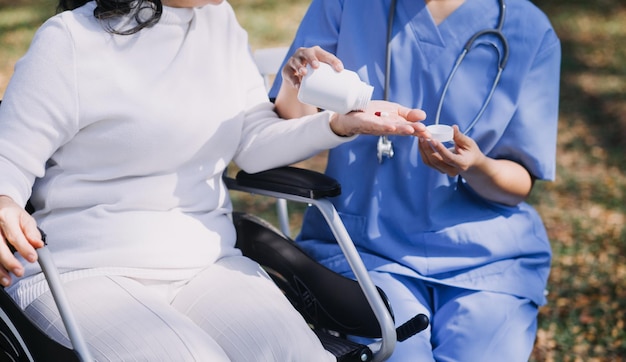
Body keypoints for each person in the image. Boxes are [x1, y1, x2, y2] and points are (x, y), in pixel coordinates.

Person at [0, 0, 431, 360]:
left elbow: (253, 142)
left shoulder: (218, 21)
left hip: (206, 262)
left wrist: (337, 124)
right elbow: (8, 158)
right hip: (85, 270)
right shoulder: (70, 41)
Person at [270, 0, 561, 360]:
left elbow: (519, 181)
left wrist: (477, 166)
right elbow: (287, 139)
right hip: (365, 249)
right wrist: (291, 80)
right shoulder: (346, 6)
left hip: (488, 261)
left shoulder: (529, 29)